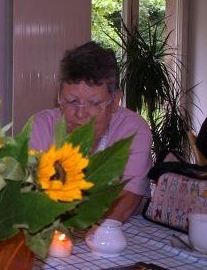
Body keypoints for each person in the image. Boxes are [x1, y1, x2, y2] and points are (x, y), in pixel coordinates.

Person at [30, 41, 152, 222]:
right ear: (58, 96)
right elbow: (28, 193)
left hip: (118, 231)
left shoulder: (133, 130)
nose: (80, 114)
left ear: (116, 99)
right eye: (71, 101)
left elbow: (126, 200)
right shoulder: (42, 125)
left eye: (94, 103)